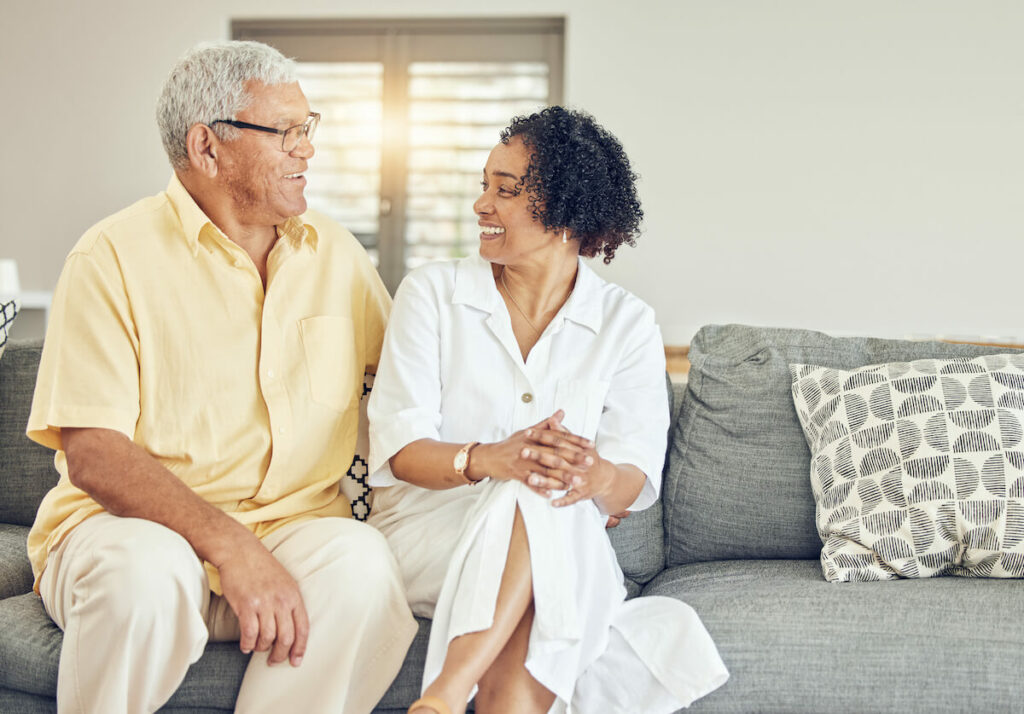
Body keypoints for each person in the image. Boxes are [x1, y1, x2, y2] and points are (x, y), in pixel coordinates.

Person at [25, 40, 416, 714]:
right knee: (144, 575)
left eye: (308, 128)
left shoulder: (336, 255)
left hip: (294, 531)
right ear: (207, 148)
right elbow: (95, 454)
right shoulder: (110, 257)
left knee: (361, 567)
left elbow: (410, 385)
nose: (308, 150)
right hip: (128, 530)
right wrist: (232, 547)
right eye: (287, 132)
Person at [366, 106, 729, 714]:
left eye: (504, 190)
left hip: (557, 535)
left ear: (567, 212)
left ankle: (444, 696)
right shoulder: (431, 293)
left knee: (544, 496)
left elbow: (629, 482)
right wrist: (492, 459)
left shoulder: (626, 323)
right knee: (538, 493)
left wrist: (593, 476)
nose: (482, 204)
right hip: (430, 534)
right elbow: (402, 454)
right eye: (483, 184)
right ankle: (445, 696)